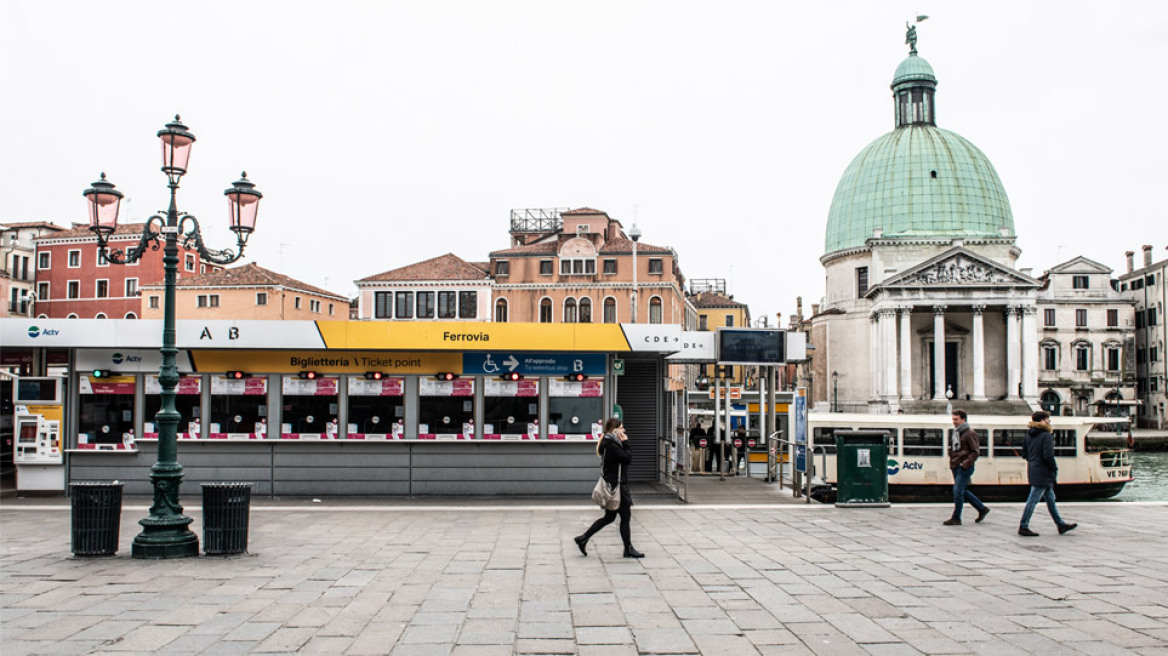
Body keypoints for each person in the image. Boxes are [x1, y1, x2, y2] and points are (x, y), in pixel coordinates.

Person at [574, 417, 644, 558]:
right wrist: (626, 443)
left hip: (614, 485)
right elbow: (627, 459)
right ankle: (628, 549)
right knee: (625, 517)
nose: (624, 430)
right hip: (617, 487)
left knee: (609, 517)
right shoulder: (612, 445)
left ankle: (583, 538)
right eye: (622, 428)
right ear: (615, 430)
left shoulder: (608, 442)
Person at [1018, 410, 1077, 537]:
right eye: (1047, 419)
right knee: (1033, 499)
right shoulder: (1046, 435)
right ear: (1041, 421)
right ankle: (1023, 526)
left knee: (1050, 498)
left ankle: (1060, 524)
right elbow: (1048, 455)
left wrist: (1034, 461)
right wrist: (1054, 468)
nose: (1049, 421)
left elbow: (1024, 454)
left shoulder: (1028, 435)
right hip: (1044, 470)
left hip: (1033, 468)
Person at [943, 410, 989, 526]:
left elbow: (975, 452)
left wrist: (965, 463)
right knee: (961, 491)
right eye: (953, 419)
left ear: (963, 419)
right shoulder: (956, 432)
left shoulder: (969, 433)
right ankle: (982, 508)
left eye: (956, 419)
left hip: (963, 467)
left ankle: (956, 517)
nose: (954, 422)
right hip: (955, 465)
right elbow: (953, 448)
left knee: (957, 491)